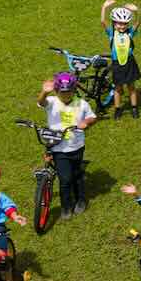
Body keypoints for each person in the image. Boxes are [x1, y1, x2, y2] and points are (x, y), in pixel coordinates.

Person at [39, 71, 96, 218]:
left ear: (73, 90)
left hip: (76, 146)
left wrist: (86, 122)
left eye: (68, 92)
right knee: (65, 179)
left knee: (77, 175)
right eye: (62, 93)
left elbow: (92, 117)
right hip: (58, 147)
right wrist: (44, 93)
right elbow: (41, 103)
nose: (65, 96)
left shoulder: (82, 104)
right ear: (56, 91)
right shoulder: (52, 101)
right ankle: (66, 207)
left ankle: (81, 200)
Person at [100, 0, 141, 119]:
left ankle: (134, 108)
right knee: (118, 88)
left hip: (129, 63)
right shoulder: (111, 33)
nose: (122, 26)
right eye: (119, 23)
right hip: (117, 64)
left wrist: (136, 11)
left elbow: (138, 22)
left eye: (124, 24)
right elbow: (103, 21)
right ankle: (118, 109)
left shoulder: (130, 33)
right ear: (114, 23)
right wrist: (104, 7)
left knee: (131, 87)